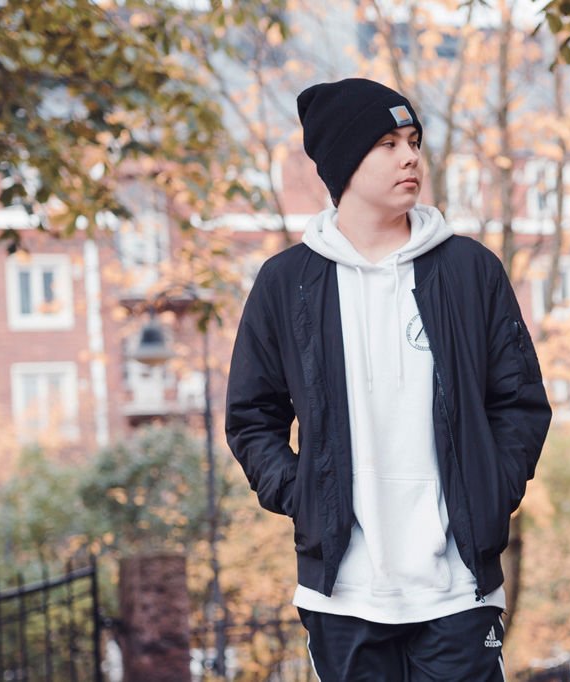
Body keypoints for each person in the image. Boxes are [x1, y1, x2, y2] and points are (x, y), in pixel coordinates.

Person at [225, 77, 551, 681]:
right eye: (388, 143)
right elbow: (252, 416)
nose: (410, 157)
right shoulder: (287, 282)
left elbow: (520, 404)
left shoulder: (469, 270)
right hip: (343, 592)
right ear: (344, 161)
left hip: (456, 587)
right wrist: (302, 496)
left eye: (414, 141)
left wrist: (491, 491)